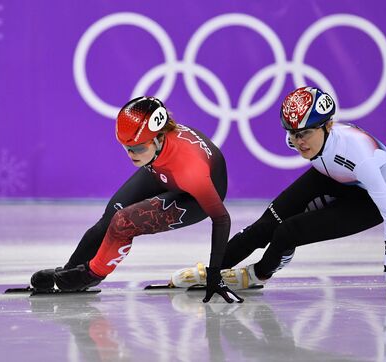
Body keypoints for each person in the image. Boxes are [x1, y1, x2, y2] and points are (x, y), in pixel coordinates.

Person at [171, 86, 386, 299]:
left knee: (287, 232)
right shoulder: (297, 139)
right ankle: (213, 269)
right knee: (263, 227)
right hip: (333, 176)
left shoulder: (360, 156)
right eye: (293, 133)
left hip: (368, 201)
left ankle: (257, 275)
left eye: (305, 133)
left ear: (328, 125)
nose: (299, 141)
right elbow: (305, 143)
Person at [31, 96, 243, 303]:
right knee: (110, 216)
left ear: (159, 138)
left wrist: (214, 275)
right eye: (126, 147)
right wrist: (67, 276)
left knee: (123, 222)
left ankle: (91, 274)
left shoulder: (191, 170)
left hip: (192, 197)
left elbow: (222, 219)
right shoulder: (154, 146)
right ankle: (69, 271)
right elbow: (144, 151)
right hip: (163, 171)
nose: (131, 154)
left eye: (138, 148)